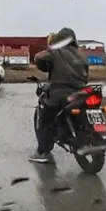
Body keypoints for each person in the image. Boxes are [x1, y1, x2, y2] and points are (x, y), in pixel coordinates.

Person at [28, 27, 89, 164]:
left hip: (59, 94)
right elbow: (86, 78)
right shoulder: (81, 56)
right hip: (80, 94)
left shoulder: (56, 51)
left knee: (45, 120)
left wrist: (47, 65)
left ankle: (42, 151)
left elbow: (39, 58)